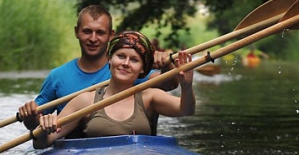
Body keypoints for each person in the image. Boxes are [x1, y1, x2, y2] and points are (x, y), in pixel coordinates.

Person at [19, 5, 177, 135]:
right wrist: (31, 118)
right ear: (77, 32)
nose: (93, 39)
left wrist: (166, 64)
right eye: (87, 31)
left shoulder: (126, 70)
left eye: (100, 33)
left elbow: (170, 84)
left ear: (111, 35)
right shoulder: (57, 77)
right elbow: (35, 125)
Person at [28, 30, 194, 148]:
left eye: (134, 60)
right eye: (120, 56)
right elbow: (42, 143)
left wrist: (186, 86)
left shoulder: (150, 97)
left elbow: (185, 110)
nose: (126, 63)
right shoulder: (85, 100)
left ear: (143, 69)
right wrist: (43, 129)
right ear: (109, 59)